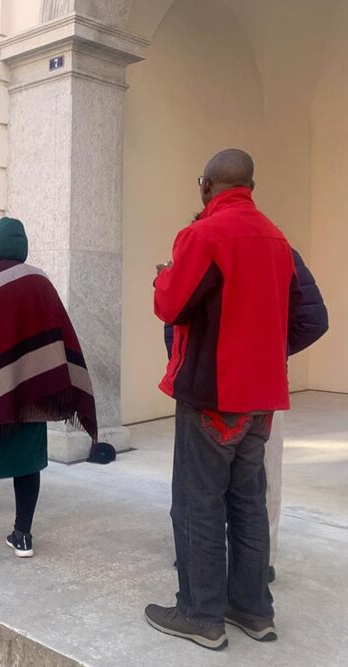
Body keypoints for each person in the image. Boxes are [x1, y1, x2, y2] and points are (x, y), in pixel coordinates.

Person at [145, 149, 316, 650]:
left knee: (197, 504)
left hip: (211, 397)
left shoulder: (203, 235)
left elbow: (170, 302)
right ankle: (252, 609)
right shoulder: (277, 239)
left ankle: (201, 615)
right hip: (260, 400)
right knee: (247, 503)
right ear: (251, 186)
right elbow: (306, 317)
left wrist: (162, 275)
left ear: (206, 186)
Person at [0, 217, 99, 563]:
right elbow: (61, 334)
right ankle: (22, 536)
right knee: (28, 465)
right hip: (32, 394)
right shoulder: (40, 281)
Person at [163, 248, 328, 584]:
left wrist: (192, 364)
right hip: (261, 387)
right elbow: (313, 320)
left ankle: (204, 574)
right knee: (257, 486)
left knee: (202, 489)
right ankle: (254, 577)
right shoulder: (279, 249)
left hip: (212, 390)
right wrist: (266, 355)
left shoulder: (202, 245)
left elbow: (174, 317)